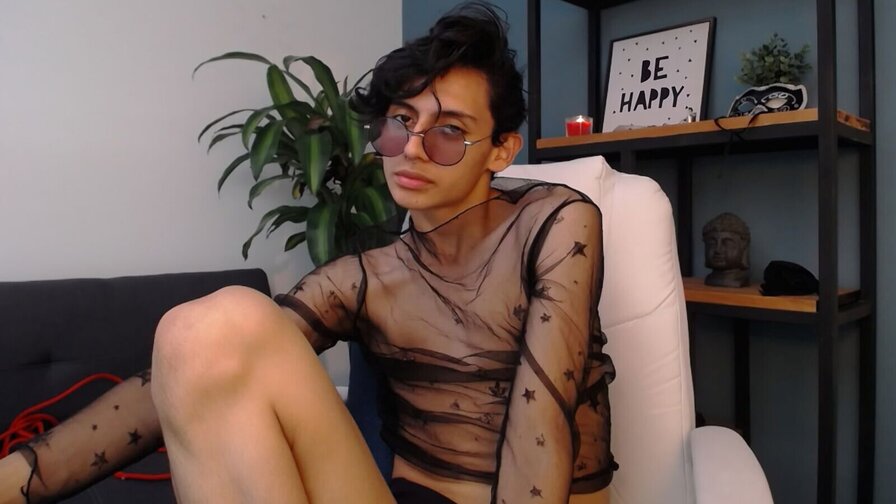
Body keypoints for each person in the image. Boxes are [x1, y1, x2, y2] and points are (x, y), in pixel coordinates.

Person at [0, 3, 615, 503]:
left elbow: (541, 421)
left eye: (450, 131)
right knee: (202, 329)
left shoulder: (554, 222)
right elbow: (183, 373)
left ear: (501, 149)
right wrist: (22, 475)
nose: (412, 148)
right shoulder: (370, 277)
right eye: (400, 122)